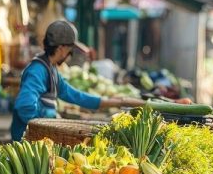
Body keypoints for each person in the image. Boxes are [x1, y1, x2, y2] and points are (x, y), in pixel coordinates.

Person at [11, 20, 142, 141]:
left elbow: (75, 96)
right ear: (61, 49)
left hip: (39, 139)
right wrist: (47, 119)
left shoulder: (51, 70)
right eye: (70, 50)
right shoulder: (37, 71)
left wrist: (115, 102)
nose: (70, 55)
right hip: (26, 141)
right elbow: (25, 106)